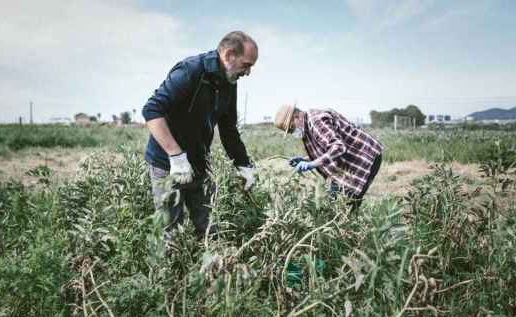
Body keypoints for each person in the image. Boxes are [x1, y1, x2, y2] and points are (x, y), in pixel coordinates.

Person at [142, 31, 257, 243]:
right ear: (229, 54)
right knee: (170, 233)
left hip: (198, 162)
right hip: (167, 163)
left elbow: (228, 128)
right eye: (246, 64)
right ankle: (170, 274)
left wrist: (244, 165)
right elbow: (152, 111)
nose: (248, 72)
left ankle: (207, 272)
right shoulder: (190, 70)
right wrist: (175, 156)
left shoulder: (229, 82)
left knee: (208, 228)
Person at [274, 104, 383, 211]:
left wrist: (312, 164)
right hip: (346, 161)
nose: (293, 133)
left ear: (297, 116)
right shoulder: (309, 123)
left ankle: (348, 226)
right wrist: (306, 159)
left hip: (363, 157)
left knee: (345, 206)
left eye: (292, 128)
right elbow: (328, 149)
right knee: (334, 202)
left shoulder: (316, 122)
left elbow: (338, 147)